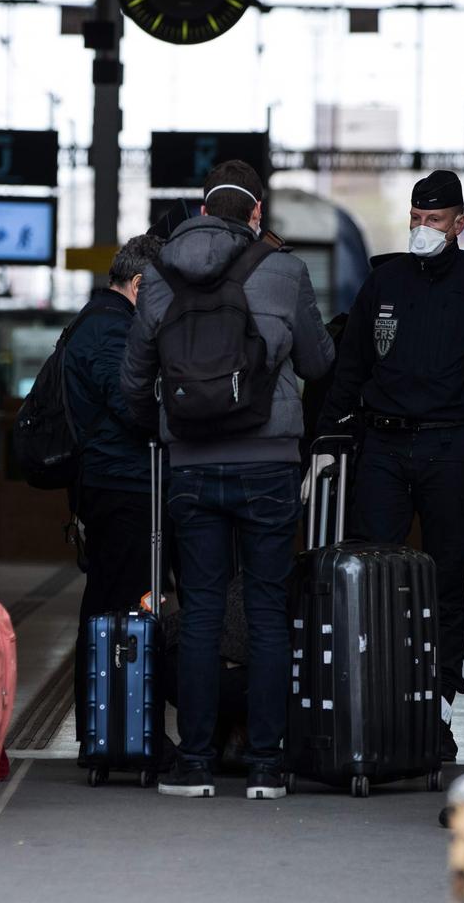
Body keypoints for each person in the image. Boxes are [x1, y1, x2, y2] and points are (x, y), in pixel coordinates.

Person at [120, 159, 335, 800]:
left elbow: (133, 376)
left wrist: (157, 425)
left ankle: (195, 763)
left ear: (203, 209)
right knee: (269, 612)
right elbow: (319, 361)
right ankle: (267, 766)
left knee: (204, 611)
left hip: (190, 462)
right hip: (269, 461)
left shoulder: (157, 275)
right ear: (257, 213)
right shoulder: (286, 270)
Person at [312, 169, 464, 759]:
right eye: (415, 218)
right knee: (368, 574)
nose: (422, 228)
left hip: (454, 449)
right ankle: (373, 702)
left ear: (460, 224)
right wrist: (323, 444)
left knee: (443, 582)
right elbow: (350, 368)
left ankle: (437, 704)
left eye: (433, 220)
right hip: (383, 446)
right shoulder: (383, 281)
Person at [63, 234, 160, 751]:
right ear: (140, 284)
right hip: (119, 483)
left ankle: (108, 733)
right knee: (117, 607)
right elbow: (130, 405)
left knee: (110, 605)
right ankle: (113, 735)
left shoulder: (98, 320)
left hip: (109, 481)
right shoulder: (111, 329)